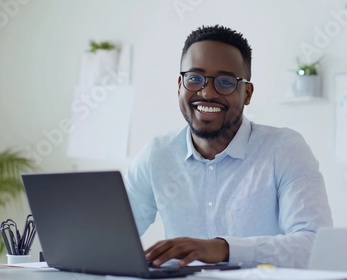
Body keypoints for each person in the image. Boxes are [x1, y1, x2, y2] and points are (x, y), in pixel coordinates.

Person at [125, 25, 332, 269]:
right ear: (179, 85)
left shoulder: (284, 149)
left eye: (225, 82)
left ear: (247, 93)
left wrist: (223, 249)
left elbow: (315, 246)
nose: (207, 92)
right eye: (194, 78)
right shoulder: (157, 154)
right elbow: (109, 233)